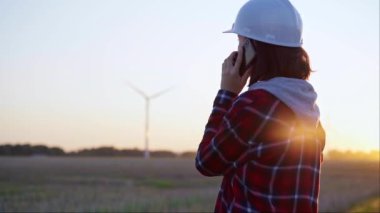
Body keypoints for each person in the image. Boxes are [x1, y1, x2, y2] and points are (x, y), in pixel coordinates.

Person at [195, 0, 326, 212]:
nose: (236, 52)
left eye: (240, 42)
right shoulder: (310, 113)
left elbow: (206, 162)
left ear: (252, 47)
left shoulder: (254, 105)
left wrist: (226, 94)